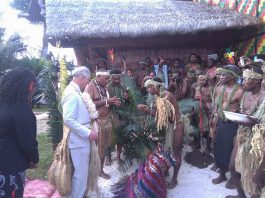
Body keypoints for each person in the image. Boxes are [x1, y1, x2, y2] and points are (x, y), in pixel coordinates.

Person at [137, 77, 184, 189]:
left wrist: (147, 111)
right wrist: (148, 109)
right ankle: (166, 170)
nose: (148, 89)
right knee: (165, 150)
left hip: (177, 125)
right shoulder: (158, 96)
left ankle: (174, 179)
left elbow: (166, 117)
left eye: (150, 87)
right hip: (168, 125)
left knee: (176, 151)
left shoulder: (167, 96)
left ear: (156, 86)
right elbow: (160, 113)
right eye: (147, 87)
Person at [227, 64, 265, 198]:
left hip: (257, 141)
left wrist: (253, 121)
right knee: (232, 167)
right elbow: (245, 113)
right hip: (242, 134)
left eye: (246, 78)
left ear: (257, 80)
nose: (242, 81)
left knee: (253, 173)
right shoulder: (246, 94)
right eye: (243, 78)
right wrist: (239, 116)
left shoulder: (263, 98)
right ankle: (241, 195)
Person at [0, 68, 39, 198]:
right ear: (30, 85)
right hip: (11, 166)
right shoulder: (21, 109)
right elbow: (28, 143)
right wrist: (34, 159)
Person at [61, 66, 98, 198]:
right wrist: (87, 132)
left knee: (81, 172)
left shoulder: (74, 91)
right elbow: (68, 119)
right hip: (79, 140)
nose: (87, 83)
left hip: (80, 139)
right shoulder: (72, 94)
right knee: (80, 174)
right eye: (87, 80)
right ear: (81, 77)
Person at [85, 69, 121, 180]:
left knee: (105, 146)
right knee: (100, 148)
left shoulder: (104, 87)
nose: (108, 80)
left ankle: (100, 168)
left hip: (106, 120)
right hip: (98, 122)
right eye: (106, 78)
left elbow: (106, 101)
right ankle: (99, 171)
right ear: (98, 76)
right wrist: (107, 102)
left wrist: (113, 102)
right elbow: (87, 102)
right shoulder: (91, 86)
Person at [212, 65, 244, 185]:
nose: (221, 77)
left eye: (224, 74)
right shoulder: (220, 89)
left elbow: (243, 111)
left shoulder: (240, 91)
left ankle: (233, 178)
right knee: (219, 148)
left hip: (233, 125)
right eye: (221, 74)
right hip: (221, 122)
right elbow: (216, 108)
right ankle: (222, 175)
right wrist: (214, 124)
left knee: (231, 151)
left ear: (232, 76)